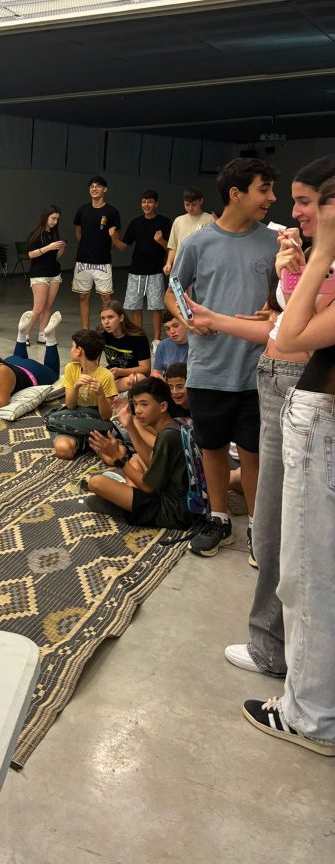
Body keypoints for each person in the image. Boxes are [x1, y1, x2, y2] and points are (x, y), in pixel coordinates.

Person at [184, 156, 335, 678]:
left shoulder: (312, 256)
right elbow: (276, 326)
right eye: (277, 194)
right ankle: (274, 641)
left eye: (302, 201)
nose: (288, 209)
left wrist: (305, 267)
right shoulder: (206, 242)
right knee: (276, 519)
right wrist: (211, 318)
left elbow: (290, 335)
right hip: (270, 377)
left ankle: (276, 649)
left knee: (284, 524)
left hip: (295, 385)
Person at [241, 180, 335, 756]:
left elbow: (291, 334)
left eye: (312, 203)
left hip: (323, 419)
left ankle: (311, 716)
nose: (298, 213)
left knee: (309, 573)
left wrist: (318, 259)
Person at [164, 157, 279, 557]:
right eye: (264, 189)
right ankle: (219, 518)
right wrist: (187, 319)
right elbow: (173, 292)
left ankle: (259, 529)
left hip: (257, 370)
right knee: (211, 447)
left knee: (253, 453)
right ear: (236, 193)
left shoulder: (273, 242)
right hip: (209, 369)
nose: (272, 198)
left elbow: (285, 300)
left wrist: (273, 311)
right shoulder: (198, 243)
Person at [85, 377, 191, 531]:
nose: (138, 410)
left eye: (144, 404)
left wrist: (119, 459)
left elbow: (148, 487)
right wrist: (129, 426)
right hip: (176, 497)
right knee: (136, 459)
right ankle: (126, 501)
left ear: (163, 406)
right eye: (135, 404)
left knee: (96, 482)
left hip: (172, 511)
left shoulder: (167, 437)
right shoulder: (175, 426)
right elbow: (150, 461)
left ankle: (125, 507)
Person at [111, 190, 171, 340]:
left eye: (150, 202)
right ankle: (139, 337)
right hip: (136, 270)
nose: (146, 205)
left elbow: (171, 248)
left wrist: (161, 241)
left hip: (155, 270)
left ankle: (156, 339)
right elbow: (124, 246)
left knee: (156, 307)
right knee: (135, 306)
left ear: (156, 204)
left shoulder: (164, 222)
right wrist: (113, 238)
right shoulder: (135, 223)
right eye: (144, 202)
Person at [52, 328, 117, 460]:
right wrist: (76, 387)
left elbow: (106, 416)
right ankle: (82, 443)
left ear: (79, 350)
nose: (71, 349)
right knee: (63, 450)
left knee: (112, 458)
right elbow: (70, 405)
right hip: (75, 419)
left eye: (72, 346)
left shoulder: (106, 376)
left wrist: (100, 395)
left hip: (96, 423)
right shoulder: (71, 368)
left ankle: (89, 443)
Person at [72, 176, 121, 329]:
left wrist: (103, 245)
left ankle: (110, 329)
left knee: (106, 299)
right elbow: (78, 232)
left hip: (103, 261)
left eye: (98, 186)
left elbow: (116, 238)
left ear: (105, 189)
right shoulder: (82, 210)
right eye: (92, 186)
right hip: (83, 261)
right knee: (83, 296)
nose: (94, 189)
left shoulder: (112, 212)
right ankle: (85, 330)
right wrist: (87, 246)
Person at [25, 205, 66, 344]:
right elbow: (31, 254)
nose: (55, 221)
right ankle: (25, 333)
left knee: (47, 307)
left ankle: (42, 334)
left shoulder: (54, 234)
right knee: (38, 308)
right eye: (53, 218)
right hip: (39, 274)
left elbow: (55, 256)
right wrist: (49, 247)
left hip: (54, 273)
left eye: (57, 219)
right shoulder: (36, 234)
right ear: (46, 217)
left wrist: (61, 249)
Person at [98, 300, 151, 392]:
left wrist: (120, 372)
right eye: (103, 318)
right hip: (112, 374)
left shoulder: (138, 337)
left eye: (110, 317)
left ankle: (107, 391)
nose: (106, 322)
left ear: (121, 318)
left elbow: (146, 369)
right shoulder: (101, 334)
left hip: (131, 375)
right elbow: (93, 361)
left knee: (139, 379)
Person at [163, 187, 213, 276]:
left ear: (201, 201)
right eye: (187, 205)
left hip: (201, 269)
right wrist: (168, 263)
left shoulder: (210, 220)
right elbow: (173, 246)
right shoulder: (178, 220)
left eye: (193, 205)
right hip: (179, 268)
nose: (190, 208)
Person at [151, 312, 189, 379]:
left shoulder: (198, 343)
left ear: (186, 324)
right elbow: (156, 372)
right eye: (167, 329)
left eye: (175, 326)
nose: (172, 331)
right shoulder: (163, 345)